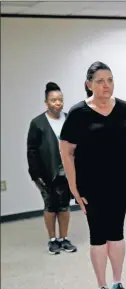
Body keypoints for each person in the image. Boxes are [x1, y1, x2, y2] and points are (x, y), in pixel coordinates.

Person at [59, 61, 126, 289]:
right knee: (98, 234)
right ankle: (102, 287)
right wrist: (73, 187)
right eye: (100, 81)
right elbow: (66, 151)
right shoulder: (78, 113)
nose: (106, 86)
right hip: (91, 185)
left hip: (121, 183)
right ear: (89, 84)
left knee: (116, 233)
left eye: (110, 80)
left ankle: (117, 283)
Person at [27, 82, 77, 255]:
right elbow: (31, 150)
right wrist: (35, 175)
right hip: (47, 172)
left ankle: (64, 238)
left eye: (60, 99)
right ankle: (52, 240)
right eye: (54, 100)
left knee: (64, 206)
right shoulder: (38, 123)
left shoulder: (69, 119)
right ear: (46, 102)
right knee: (50, 205)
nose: (58, 103)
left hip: (67, 171)